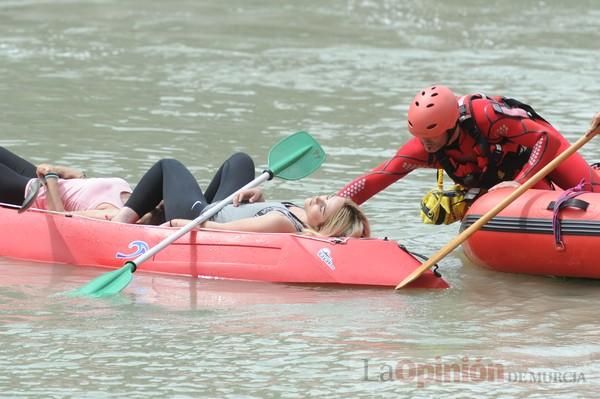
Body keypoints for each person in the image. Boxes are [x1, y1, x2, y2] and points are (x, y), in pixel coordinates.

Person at [338, 85, 600, 209]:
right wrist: (337, 202)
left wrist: (519, 183)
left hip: (546, 156)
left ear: (451, 126)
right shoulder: (425, 147)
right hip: (514, 182)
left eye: (431, 137)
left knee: (593, 191)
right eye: (420, 137)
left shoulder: (488, 119)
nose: (425, 144)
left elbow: (548, 140)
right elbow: (379, 177)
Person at [111, 153, 370, 238]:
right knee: (241, 162)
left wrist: (187, 225)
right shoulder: (297, 214)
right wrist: (258, 199)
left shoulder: (283, 223)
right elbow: (256, 215)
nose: (318, 199)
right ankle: (161, 209)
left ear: (322, 226)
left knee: (168, 167)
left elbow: (228, 231)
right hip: (219, 206)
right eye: (325, 196)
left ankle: (117, 226)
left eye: (322, 207)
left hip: (199, 215)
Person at [0, 146, 132, 215]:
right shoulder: (127, 189)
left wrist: (50, 178)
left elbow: (60, 217)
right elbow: (83, 189)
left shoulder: (112, 212)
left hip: (31, 194)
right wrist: (62, 171)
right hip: (43, 180)